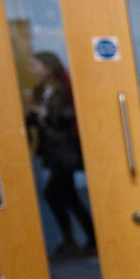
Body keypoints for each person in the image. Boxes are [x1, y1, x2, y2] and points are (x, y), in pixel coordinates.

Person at [24, 51, 95, 259]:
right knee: (66, 195)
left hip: (64, 150)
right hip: (53, 151)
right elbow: (37, 121)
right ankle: (81, 240)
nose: (32, 70)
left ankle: (77, 241)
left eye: (35, 65)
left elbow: (62, 118)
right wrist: (33, 111)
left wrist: (38, 111)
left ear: (49, 67)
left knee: (54, 193)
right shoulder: (41, 90)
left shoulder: (64, 88)